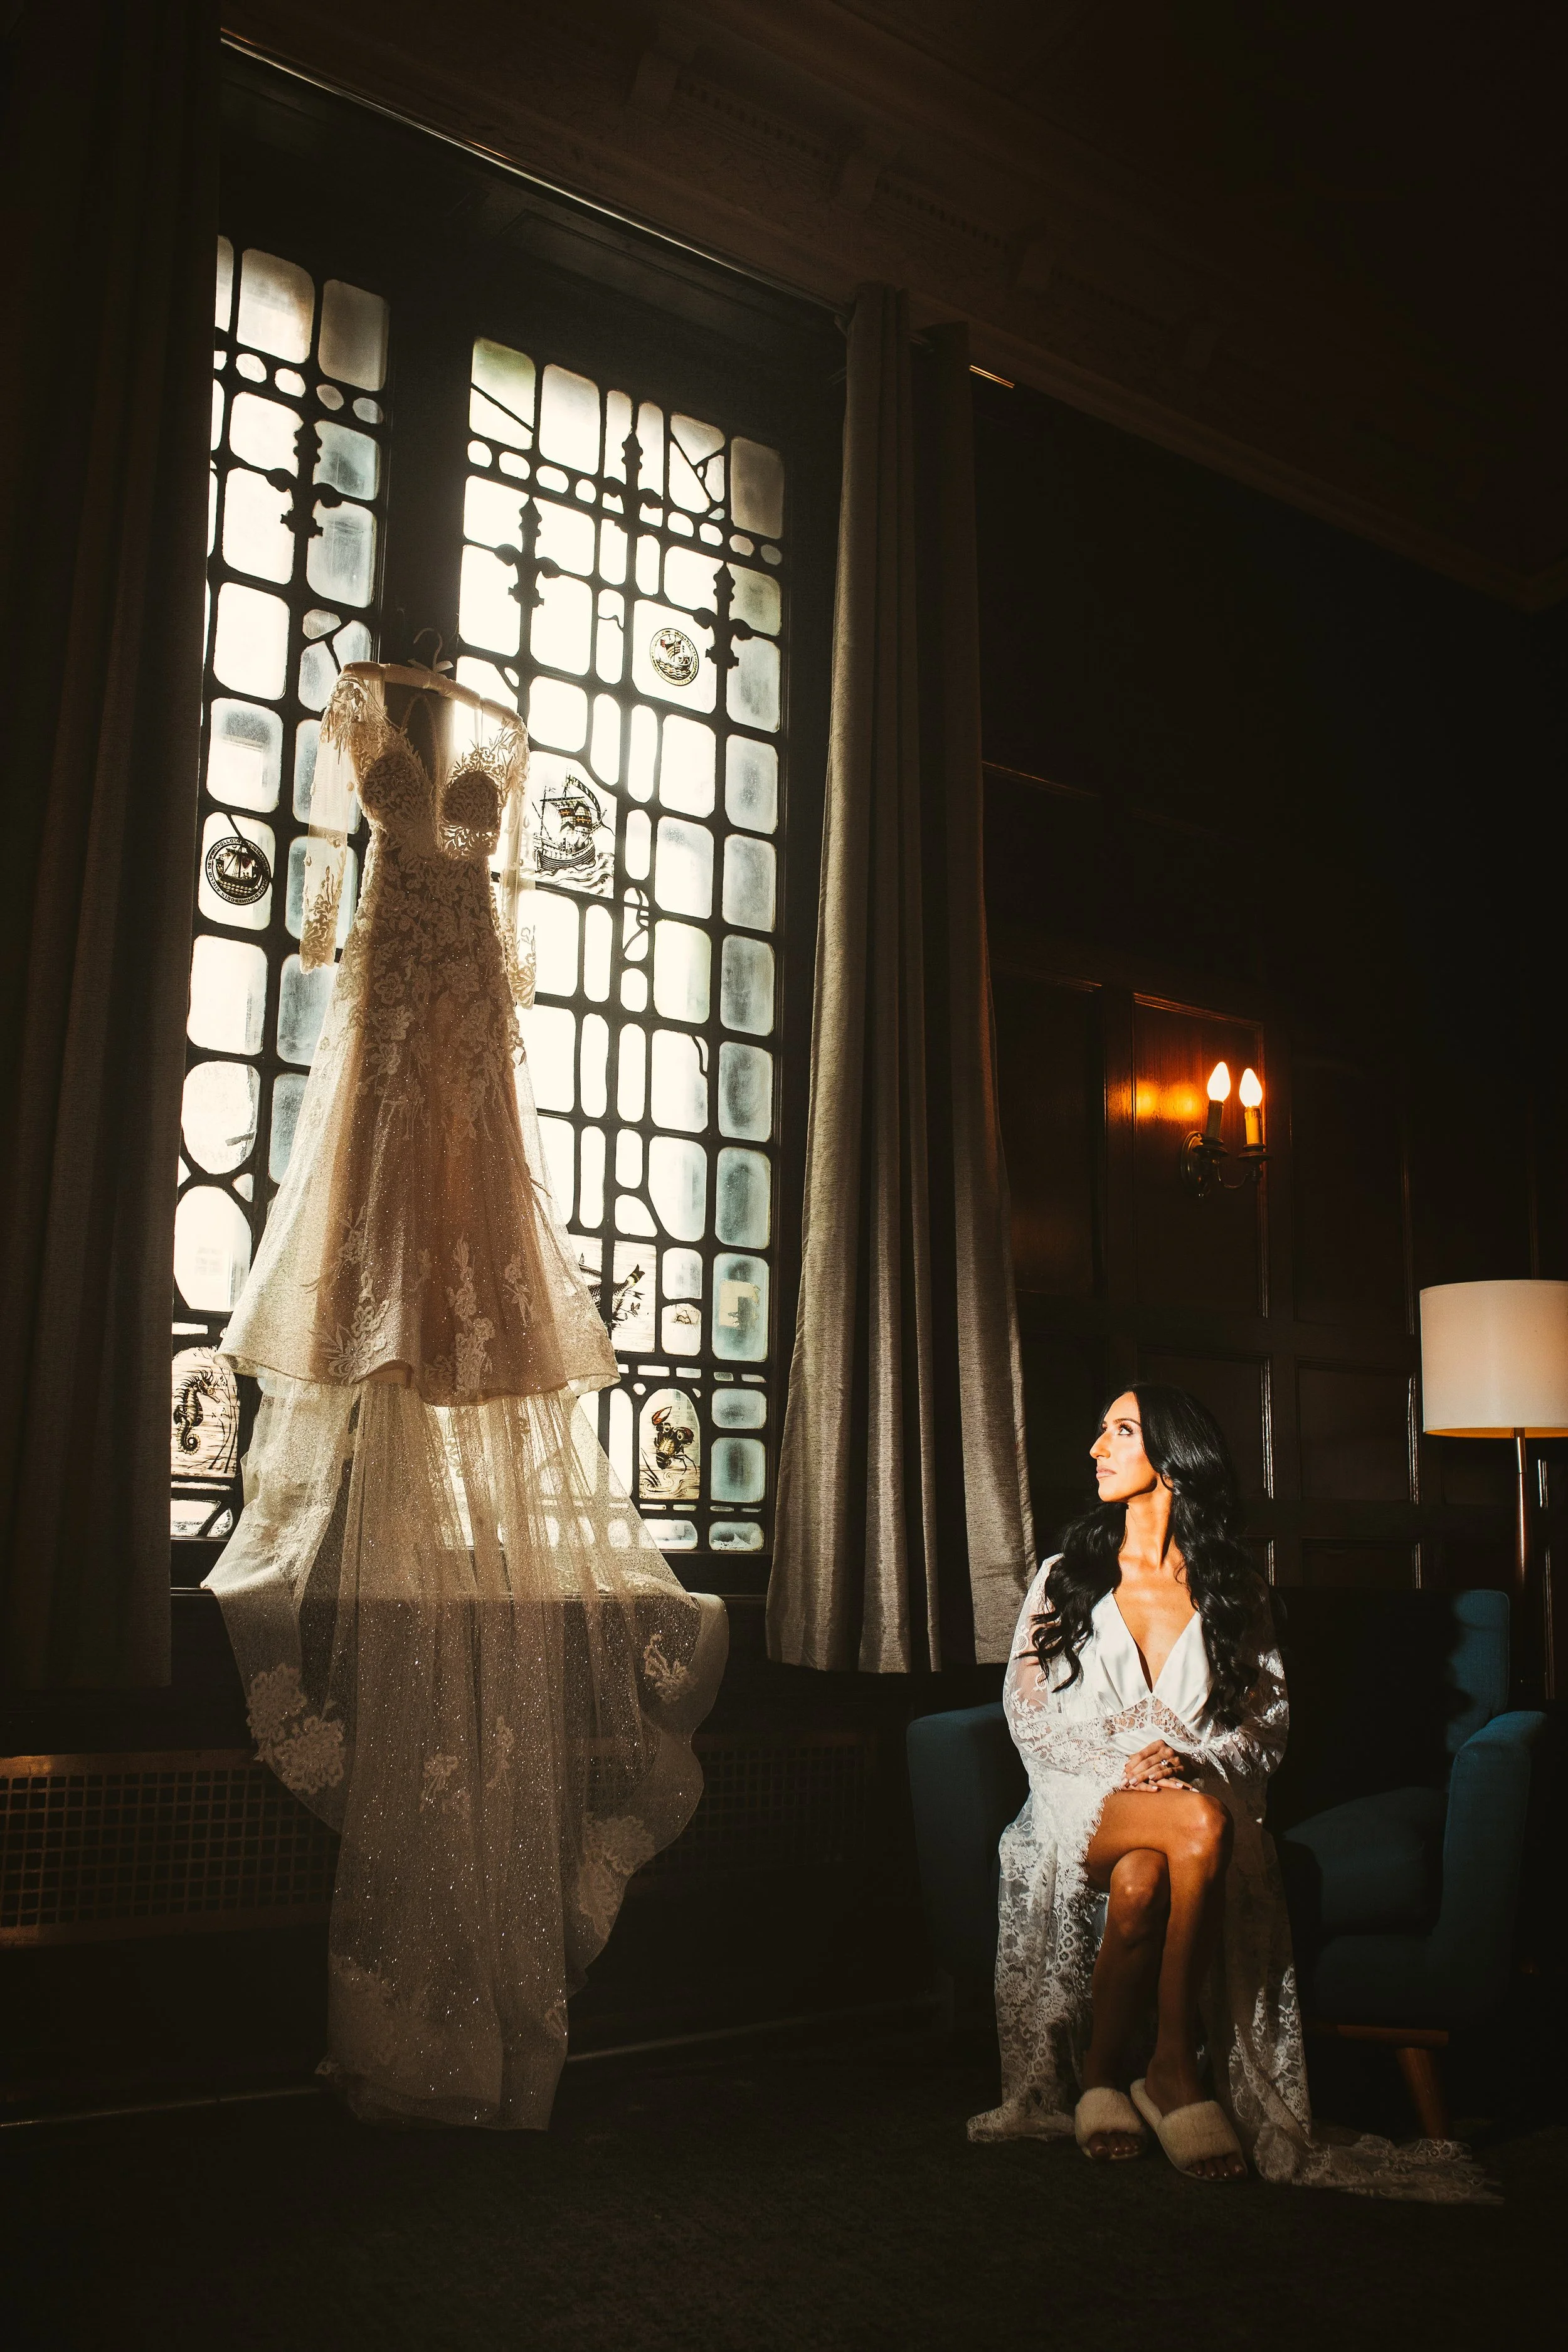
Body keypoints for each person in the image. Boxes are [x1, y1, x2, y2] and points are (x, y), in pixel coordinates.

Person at [968, 1385, 1486, 2197]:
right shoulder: (1066, 1576)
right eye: (1101, 1429)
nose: (1097, 1447)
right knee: (1200, 1827)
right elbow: (1025, 1715)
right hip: (1079, 1800)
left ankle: (1106, 2077)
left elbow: (1265, 1725)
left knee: (1150, 1874)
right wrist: (1124, 1760)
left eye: (1122, 1431)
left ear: (1174, 1458)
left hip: (1194, 1791)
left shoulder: (1232, 1589)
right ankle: (1176, 2066)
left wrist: (1182, 1756)